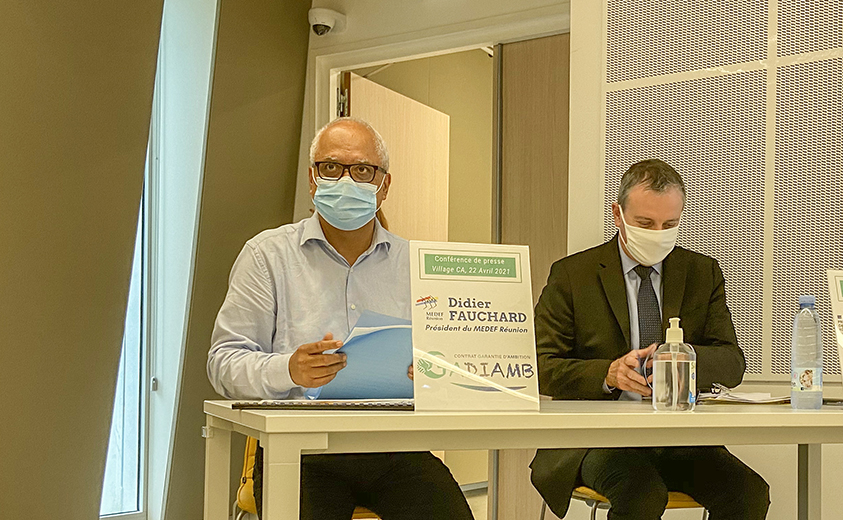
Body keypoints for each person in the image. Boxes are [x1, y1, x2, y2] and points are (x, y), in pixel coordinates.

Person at [207, 117, 472, 519]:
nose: (346, 180)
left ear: (384, 186)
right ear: (313, 179)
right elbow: (223, 363)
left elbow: (452, 359)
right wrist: (289, 370)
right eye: (332, 167)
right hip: (299, 451)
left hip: (395, 449)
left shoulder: (418, 264)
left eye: (362, 169)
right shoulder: (267, 256)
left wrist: (434, 372)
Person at [530, 160, 770, 520]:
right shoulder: (572, 275)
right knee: (641, 494)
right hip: (594, 438)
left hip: (676, 438)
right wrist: (608, 374)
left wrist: (683, 358)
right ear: (618, 214)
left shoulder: (701, 273)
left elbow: (732, 362)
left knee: (749, 493)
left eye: (669, 225)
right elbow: (539, 365)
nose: (658, 233)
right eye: (645, 224)